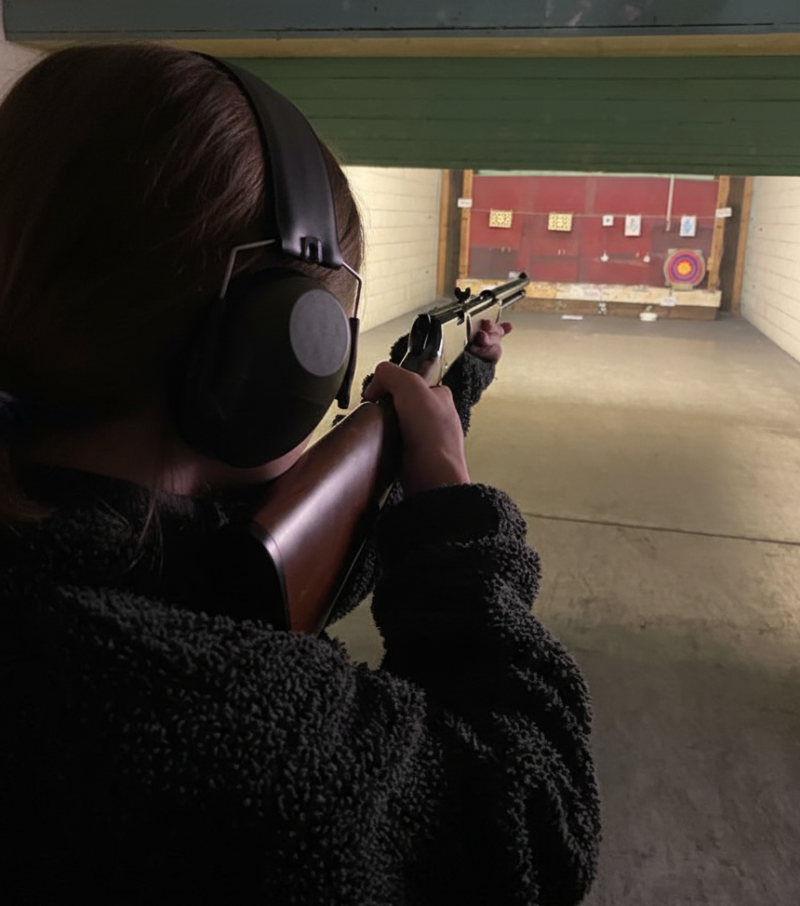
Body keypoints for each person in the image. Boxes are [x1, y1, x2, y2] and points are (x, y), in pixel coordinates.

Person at [0, 44, 600, 904]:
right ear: (271, 368)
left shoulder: (71, 561)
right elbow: (535, 826)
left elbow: (270, 573)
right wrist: (454, 515)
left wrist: (460, 385)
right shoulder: (228, 726)